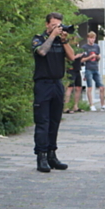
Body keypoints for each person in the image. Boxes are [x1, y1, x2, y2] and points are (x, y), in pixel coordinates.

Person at [31, 12, 75, 173]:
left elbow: (71, 57)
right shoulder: (39, 39)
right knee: (43, 121)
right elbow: (41, 52)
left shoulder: (60, 41)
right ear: (47, 25)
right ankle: (41, 156)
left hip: (57, 84)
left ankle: (52, 155)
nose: (57, 27)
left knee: (55, 121)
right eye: (53, 25)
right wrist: (52, 36)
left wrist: (64, 40)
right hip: (43, 84)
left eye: (59, 25)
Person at [81, 31, 105, 111]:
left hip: (96, 68)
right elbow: (82, 60)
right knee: (89, 87)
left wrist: (98, 57)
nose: (92, 40)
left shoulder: (97, 47)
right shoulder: (84, 47)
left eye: (93, 38)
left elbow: (98, 57)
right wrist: (90, 57)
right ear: (88, 38)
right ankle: (91, 105)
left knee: (101, 87)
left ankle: (103, 105)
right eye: (91, 38)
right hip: (88, 69)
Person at [63, 37, 88, 114]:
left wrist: (83, 56)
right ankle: (66, 107)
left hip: (77, 69)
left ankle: (75, 106)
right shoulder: (68, 48)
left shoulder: (78, 49)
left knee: (78, 87)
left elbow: (80, 59)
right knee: (70, 87)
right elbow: (71, 57)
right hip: (71, 69)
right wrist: (78, 55)